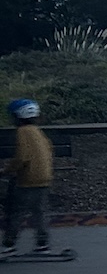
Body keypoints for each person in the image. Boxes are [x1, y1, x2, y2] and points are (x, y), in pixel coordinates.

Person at [4, 98, 53, 255]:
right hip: (44, 177)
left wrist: (7, 170)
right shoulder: (38, 131)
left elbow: (22, 157)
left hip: (27, 179)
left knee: (16, 211)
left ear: (18, 116)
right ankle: (42, 243)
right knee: (40, 212)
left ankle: (9, 245)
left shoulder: (22, 132)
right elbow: (49, 150)